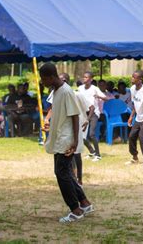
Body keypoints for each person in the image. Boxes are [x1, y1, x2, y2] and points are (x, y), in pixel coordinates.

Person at [39, 63, 94, 223]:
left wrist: (75, 141)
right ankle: (84, 203)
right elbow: (60, 113)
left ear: (50, 77)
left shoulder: (66, 91)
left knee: (61, 173)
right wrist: (50, 123)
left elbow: (75, 116)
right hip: (60, 137)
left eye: (43, 79)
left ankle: (75, 210)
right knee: (66, 173)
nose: (43, 82)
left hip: (67, 140)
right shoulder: (56, 91)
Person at [78, 72, 108, 162]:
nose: (84, 79)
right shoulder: (80, 88)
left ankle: (98, 155)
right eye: (84, 77)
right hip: (84, 113)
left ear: (91, 79)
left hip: (94, 113)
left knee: (91, 134)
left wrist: (98, 96)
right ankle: (91, 151)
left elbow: (106, 98)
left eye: (86, 77)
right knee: (81, 136)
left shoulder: (95, 89)